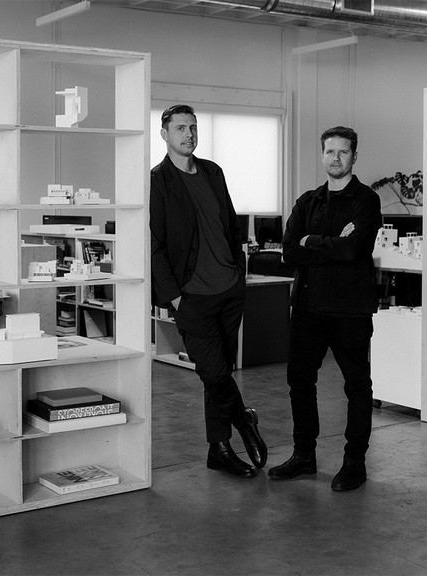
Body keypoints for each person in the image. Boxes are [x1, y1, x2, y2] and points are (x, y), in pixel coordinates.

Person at [149, 104, 267, 479]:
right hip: (192, 296)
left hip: (228, 289)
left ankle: (218, 449)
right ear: (164, 134)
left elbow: (231, 223)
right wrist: (176, 297)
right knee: (214, 373)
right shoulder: (158, 180)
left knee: (221, 372)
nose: (189, 134)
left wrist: (238, 273)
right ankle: (243, 419)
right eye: (180, 128)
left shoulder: (213, 171)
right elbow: (154, 244)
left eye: (193, 127)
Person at [268, 126, 381, 492]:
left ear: (354, 156)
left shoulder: (365, 201)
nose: (335, 158)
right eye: (329, 151)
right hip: (306, 309)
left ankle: (354, 462)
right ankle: (304, 455)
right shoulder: (307, 201)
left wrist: (310, 242)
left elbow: (353, 251)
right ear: (321, 156)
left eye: (343, 152)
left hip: (349, 310)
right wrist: (329, 243)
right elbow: (289, 251)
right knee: (300, 381)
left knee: (357, 386)